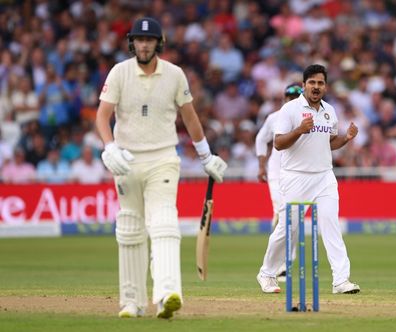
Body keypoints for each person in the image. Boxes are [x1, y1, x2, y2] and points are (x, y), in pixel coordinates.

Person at [95, 17, 227, 320]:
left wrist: (205, 156)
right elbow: (102, 117)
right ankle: (132, 302)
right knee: (129, 228)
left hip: (163, 158)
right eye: (139, 40)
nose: (144, 45)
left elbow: (190, 117)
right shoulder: (119, 73)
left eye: (149, 40)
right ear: (132, 43)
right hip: (126, 160)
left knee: (165, 222)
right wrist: (109, 147)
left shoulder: (175, 75)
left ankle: (167, 294)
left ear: (158, 43)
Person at [256, 64, 361, 295]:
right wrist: (299, 130)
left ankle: (341, 280)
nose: (316, 87)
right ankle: (267, 273)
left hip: (324, 176)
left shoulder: (329, 111)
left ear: (325, 86)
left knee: (331, 225)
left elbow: (329, 143)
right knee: (288, 229)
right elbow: (278, 143)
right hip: (295, 176)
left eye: (320, 83)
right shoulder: (290, 110)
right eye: (312, 82)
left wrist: (346, 139)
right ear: (304, 85)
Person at [255, 83, 303, 282]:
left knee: (294, 216)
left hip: (298, 173)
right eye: (289, 97)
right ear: (284, 98)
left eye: (296, 97)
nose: (292, 100)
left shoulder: (307, 118)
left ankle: (286, 262)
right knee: (281, 214)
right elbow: (260, 139)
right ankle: (278, 265)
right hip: (276, 173)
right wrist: (261, 164)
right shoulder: (274, 117)